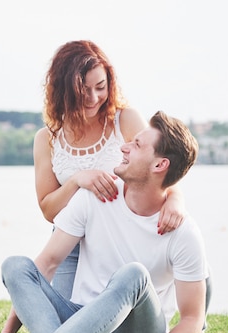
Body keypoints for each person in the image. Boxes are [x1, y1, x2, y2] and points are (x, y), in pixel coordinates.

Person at [0, 111, 219, 333]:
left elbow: (192, 320)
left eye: (137, 145)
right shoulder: (95, 196)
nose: (124, 147)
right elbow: (46, 264)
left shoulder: (183, 232)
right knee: (16, 266)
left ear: (160, 164)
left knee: (134, 274)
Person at [33, 40, 186, 300]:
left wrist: (175, 201)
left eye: (100, 87)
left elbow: (160, 168)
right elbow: (49, 210)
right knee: (66, 321)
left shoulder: (124, 120)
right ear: (63, 91)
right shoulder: (46, 139)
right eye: (83, 90)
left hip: (120, 237)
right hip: (71, 245)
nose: (93, 98)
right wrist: (77, 181)